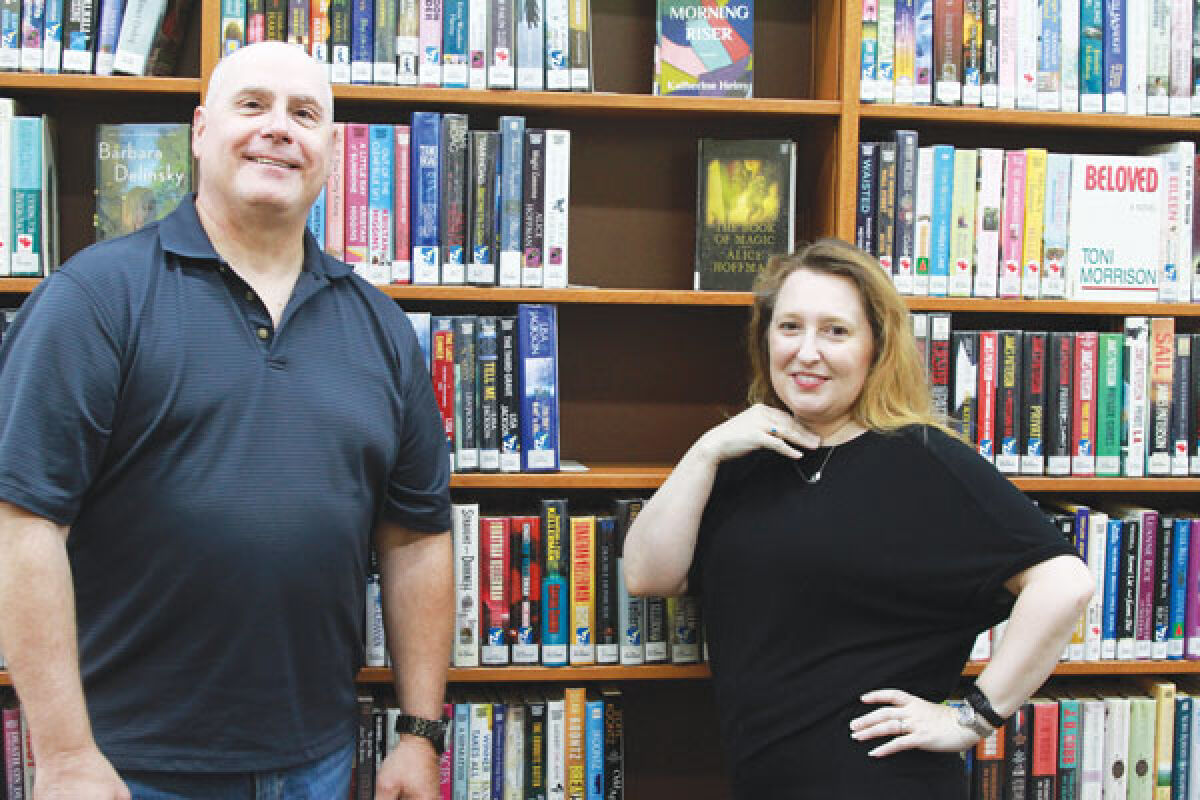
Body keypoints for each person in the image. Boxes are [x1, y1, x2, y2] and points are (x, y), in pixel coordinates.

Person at [0, 42, 453, 799]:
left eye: (304, 114)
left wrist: (420, 732)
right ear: (200, 132)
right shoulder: (94, 299)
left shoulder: (379, 328)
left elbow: (415, 538)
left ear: (331, 154)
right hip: (129, 766)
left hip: (317, 759)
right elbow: (22, 528)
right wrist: (67, 752)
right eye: (254, 105)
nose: (279, 128)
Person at [622, 238, 1094, 798]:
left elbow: (1065, 583)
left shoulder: (925, 459)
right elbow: (648, 575)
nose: (807, 351)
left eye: (836, 331)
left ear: (876, 346)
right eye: (790, 327)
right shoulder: (742, 460)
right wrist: (704, 452)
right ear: (765, 339)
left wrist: (972, 718)